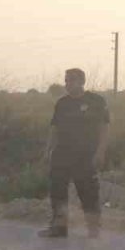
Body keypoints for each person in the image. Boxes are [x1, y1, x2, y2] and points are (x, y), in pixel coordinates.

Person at [40, 68, 110, 239]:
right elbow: (54, 128)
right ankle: (59, 228)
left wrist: (101, 151)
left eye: (71, 81)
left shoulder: (96, 101)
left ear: (81, 82)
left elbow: (104, 128)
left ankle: (94, 229)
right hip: (62, 154)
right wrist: (47, 150)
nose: (67, 84)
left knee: (88, 192)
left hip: (85, 155)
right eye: (66, 81)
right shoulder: (62, 103)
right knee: (58, 192)